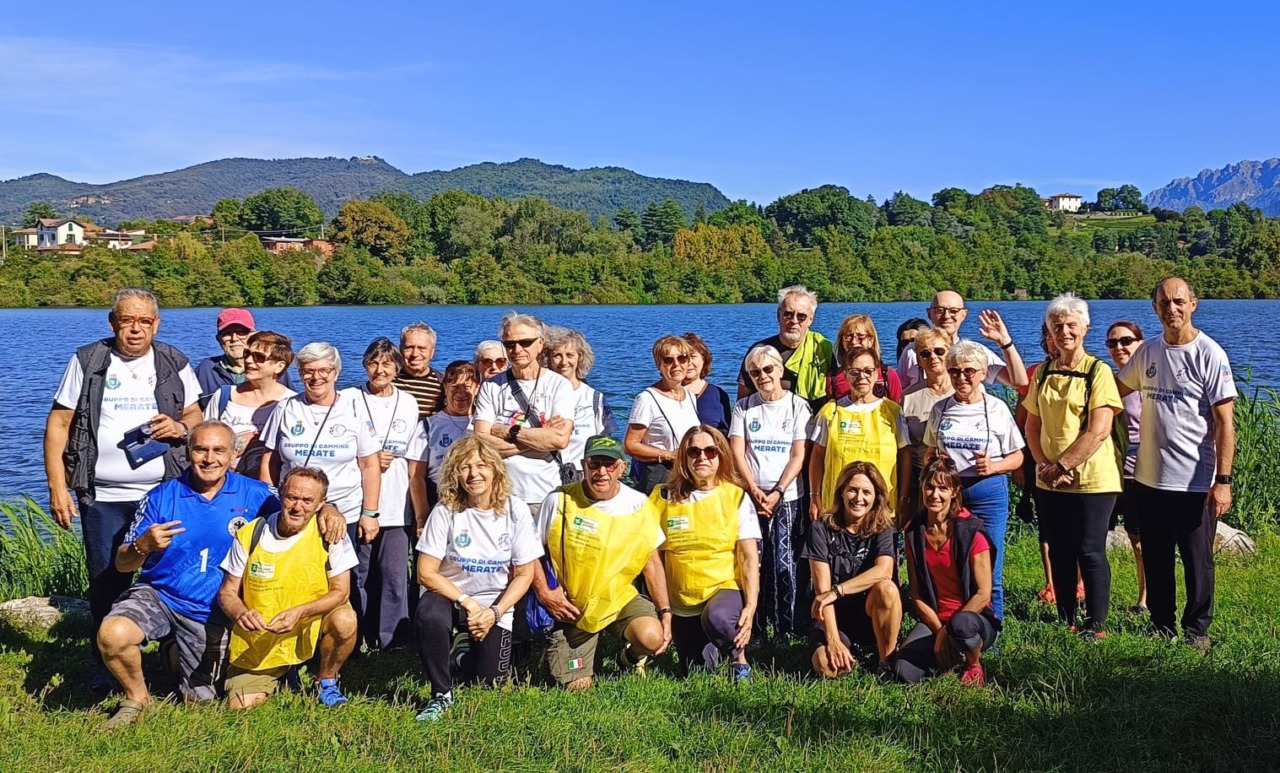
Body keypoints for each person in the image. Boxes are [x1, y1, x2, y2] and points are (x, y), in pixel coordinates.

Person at [44, 287, 203, 687]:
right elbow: (59, 424)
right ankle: (107, 662)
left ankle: (172, 654)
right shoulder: (88, 360)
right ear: (113, 322)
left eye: (144, 321)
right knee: (105, 579)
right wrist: (57, 488)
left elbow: (196, 415)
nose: (135, 329)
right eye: (127, 320)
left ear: (156, 324)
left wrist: (182, 428)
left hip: (164, 493)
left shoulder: (173, 360)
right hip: (103, 496)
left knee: (169, 574)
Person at [96, 421, 277, 730]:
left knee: (200, 705)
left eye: (219, 450)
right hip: (162, 595)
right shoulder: (161, 496)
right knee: (113, 634)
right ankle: (137, 697)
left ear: (234, 455)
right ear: (188, 453)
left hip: (214, 610)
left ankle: (173, 650)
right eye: (200, 449)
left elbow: (296, 522)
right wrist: (143, 545)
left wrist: (329, 512)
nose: (209, 459)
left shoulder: (257, 495)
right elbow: (122, 563)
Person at [1117, 277, 1236, 651]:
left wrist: (1224, 481)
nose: (1172, 309)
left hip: (1194, 482)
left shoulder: (1209, 354)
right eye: (1164, 302)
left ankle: (1197, 630)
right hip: (1149, 477)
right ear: (1155, 308)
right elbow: (1114, 393)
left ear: (1193, 304)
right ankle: (1162, 624)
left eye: (1179, 301)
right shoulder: (1147, 352)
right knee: (1156, 557)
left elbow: (1224, 423)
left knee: (1197, 562)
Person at [412, 437, 542, 721]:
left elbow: (525, 574)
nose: (473, 474)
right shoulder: (446, 510)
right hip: (450, 596)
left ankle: (460, 652)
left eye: (481, 465)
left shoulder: (515, 510)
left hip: (494, 603)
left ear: (495, 470)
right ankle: (441, 694)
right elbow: (425, 572)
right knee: (429, 614)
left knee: (489, 681)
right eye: (464, 467)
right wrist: (467, 602)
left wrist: (494, 613)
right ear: (454, 474)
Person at [258, 342, 382, 635]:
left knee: (341, 578)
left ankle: (346, 638)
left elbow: (370, 465)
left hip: (344, 510)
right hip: (295, 509)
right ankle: (293, 635)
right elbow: (270, 460)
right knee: (294, 574)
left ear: (336, 372)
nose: (316, 378)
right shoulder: (286, 407)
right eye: (308, 371)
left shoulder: (353, 409)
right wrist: (271, 502)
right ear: (299, 374)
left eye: (323, 370)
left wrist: (370, 513)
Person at [535, 434, 673, 691]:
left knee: (652, 637)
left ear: (622, 467)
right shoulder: (560, 500)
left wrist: (665, 612)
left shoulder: (639, 505)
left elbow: (651, 562)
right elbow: (529, 553)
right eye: (594, 464)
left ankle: (628, 659)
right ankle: (561, 653)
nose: (601, 472)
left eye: (609, 465)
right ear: (583, 465)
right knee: (579, 686)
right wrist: (546, 593)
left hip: (618, 598)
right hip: (574, 607)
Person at [217, 467, 360, 709]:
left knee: (346, 619)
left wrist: (300, 612)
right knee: (239, 707)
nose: (297, 507)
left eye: (307, 500)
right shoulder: (251, 534)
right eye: (292, 497)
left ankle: (325, 680)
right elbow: (227, 592)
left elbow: (341, 592)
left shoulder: (331, 533)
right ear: (281, 494)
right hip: (264, 635)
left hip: (309, 621)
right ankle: (282, 672)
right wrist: (241, 613)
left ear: (320, 504)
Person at [1023, 294, 1123, 637]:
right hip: (1049, 478)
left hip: (1093, 480)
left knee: (1089, 551)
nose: (1063, 331)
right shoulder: (1045, 371)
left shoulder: (1099, 371)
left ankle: (1096, 626)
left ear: (1084, 328)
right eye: (1057, 326)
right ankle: (1067, 619)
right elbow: (1031, 425)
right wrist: (1043, 465)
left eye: (1070, 325)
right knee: (1061, 549)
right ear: (1049, 331)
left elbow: (1100, 430)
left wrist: (1063, 465)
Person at [923, 339, 1025, 619]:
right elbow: (929, 451)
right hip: (948, 494)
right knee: (951, 560)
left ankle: (992, 624)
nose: (962, 377)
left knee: (989, 560)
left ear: (982, 373)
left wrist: (994, 466)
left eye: (969, 371)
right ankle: (952, 621)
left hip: (987, 491)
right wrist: (935, 462)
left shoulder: (997, 408)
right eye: (955, 371)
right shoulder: (941, 408)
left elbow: (1018, 457)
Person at [652, 426, 761, 682]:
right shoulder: (663, 496)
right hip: (681, 601)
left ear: (721, 456)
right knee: (696, 673)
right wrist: (661, 609)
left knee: (719, 618)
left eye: (710, 451)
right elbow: (649, 556)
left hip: (721, 589)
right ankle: (709, 643)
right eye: (694, 451)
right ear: (683, 458)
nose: (702, 457)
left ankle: (739, 660)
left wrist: (751, 606)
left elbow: (749, 557)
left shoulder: (736, 497)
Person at [894, 456, 999, 686]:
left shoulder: (972, 532)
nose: (935, 494)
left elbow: (983, 593)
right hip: (935, 619)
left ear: (954, 492)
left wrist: (947, 632)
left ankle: (973, 663)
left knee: (962, 624)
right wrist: (939, 630)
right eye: (929, 487)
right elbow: (917, 593)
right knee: (904, 671)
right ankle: (948, 658)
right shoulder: (914, 532)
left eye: (943, 488)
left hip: (973, 619)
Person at [729, 344, 810, 640]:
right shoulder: (744, 407)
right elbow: (738, 451)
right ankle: (757, 627)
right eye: (755, 372)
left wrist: (777, 491)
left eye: (767, 370)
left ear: (779, 370)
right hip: (751, 498)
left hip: (786, 497)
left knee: (784, 564)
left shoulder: (798, 406)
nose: (762, 376)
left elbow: (798, 455)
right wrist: (752, 489)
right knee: (754, 562)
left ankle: (786, 628)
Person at [356, 337, 430, 650]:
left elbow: (414, 459)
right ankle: (358, 635)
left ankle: (393, 639)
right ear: (365, 365)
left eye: (387, 364)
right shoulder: (350, 398)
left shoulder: (407, 402)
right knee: (359, 573)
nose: (380, 370)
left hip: (397, 501)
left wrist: (419, 511)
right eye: (374, 363)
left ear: (396, 367)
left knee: (394, 575)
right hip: (359, 500)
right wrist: (369, 457)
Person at [803, 461, 901, 677]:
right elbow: (822, 593)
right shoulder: (820, 529)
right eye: (853, 490)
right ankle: (844, 650)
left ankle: (886, 661)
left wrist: (838, 591)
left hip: (870, 611)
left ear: (877, 497)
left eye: (867, 492)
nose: (859, 498)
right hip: (834, 616)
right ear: (841, 492)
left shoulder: (884, 528)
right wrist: (833, 640)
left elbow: (884, 570)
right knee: (827, 668)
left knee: (887, 589)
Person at [472, 312, 574, 519]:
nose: (517, 350)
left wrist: (506, 431)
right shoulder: (491, 386)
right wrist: (540, 437)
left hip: (546, 493)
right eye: (510, 344)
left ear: (540, 344)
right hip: (501, 493)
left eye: (525, 342)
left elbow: (559, 439)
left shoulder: (559, 385)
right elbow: (481, 440)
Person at [809, 348, 910, 521]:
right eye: (854, 372)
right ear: (846, 374)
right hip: (837, 508)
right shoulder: (831, 412)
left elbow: (905, 456)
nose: (861, 377)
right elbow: (817, 456)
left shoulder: (892, 412)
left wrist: (903, 498)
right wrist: (814, 496)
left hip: (881, 508)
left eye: (868, 371)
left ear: (876, 372)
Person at [202, 330, 295, 478]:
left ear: (279, 366)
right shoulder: (224, 396)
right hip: (226, 484)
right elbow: (203, 441)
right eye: (247, 354)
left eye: (259, 357)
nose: (249, 361)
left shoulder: (292, 403)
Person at [896, 291, 1027, 390]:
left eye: (953, 311)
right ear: (929, 313)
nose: (946, 316)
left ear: (964, 315)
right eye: (939, 310)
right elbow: (900, 391)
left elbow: (1018, 381)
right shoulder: (912, 351)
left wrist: (1005, 343)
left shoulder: (974, 351)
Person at [1104, 319, 1147, 613]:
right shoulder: (1110, 382)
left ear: (1140, 343)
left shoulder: (1150, 381)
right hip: (1113, 471)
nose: (1119, 347)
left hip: (1143, 471)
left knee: (1142, 540)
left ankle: (1145, 599)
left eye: (1126, 341)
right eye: (1112, 343)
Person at [736, 285, 835, 411]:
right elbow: (743, 400)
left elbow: (835, 393)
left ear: (810, 320)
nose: (794, 321)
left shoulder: (822, 350)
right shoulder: (760, 352)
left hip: (814, 423)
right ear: (778, 316)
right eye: (788, 314)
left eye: (801, 316)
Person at [625, 335, 701, 494]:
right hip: (660, 475)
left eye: (682, 358)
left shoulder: (690, 397)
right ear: (659, 365)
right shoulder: (647, 399)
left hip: (687, 474)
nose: (676, 365)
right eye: (668, 360)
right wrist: (666, 455)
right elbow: (630, 445)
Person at [545, 327, 618, 473]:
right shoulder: (539, 395)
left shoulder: (595, 398)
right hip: (547, 475)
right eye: (557, 355)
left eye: (570, 355)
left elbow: (606, 443)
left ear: (580, 357)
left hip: (584, 476)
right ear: (548, 359)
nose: (564, 361)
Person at [898, 328, 953, 519]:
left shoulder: (964, 391)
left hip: (957, 476)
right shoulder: (908, 397)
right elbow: (903, 445)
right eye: (925, 353)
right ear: (919, 360)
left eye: (939, 351)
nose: (933, 357)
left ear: (950, 352)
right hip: (919, 478)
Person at [194, 308, 295, 403]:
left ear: (254, 336)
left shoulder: (271, 369)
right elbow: (192, 411)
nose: (234, 338)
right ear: (218, 339)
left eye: (241, 333)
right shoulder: (206, 369)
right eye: (226, 334)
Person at [422, 360, 481, 512]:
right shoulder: (428, 425)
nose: (460, 393)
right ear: (446, 389)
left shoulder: (483, 423)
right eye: (455, 387)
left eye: (466, 387)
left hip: (475, 501)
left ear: (476, 388)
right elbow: (416, 477)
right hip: (437, 499)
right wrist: (421, 517)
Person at [829, 314, 902, 402]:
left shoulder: (888, 375)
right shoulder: (833, 378)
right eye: (849, 336)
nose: (854, 341)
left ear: (871, 340)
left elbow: (897, 408)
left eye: (861, 336)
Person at [682, 332, 732, 435]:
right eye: (683, 358)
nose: (688, 362)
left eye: (693, 356)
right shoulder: (666, 393)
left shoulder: (718, 394)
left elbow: (727, 434)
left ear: (703, 359)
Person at [393, 322, 444, 418]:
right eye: (409, 348)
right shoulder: (388, 381)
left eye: (422, 348)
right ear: (400, 350)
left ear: (432, 352)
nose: (415, 354)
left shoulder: (442, 385)